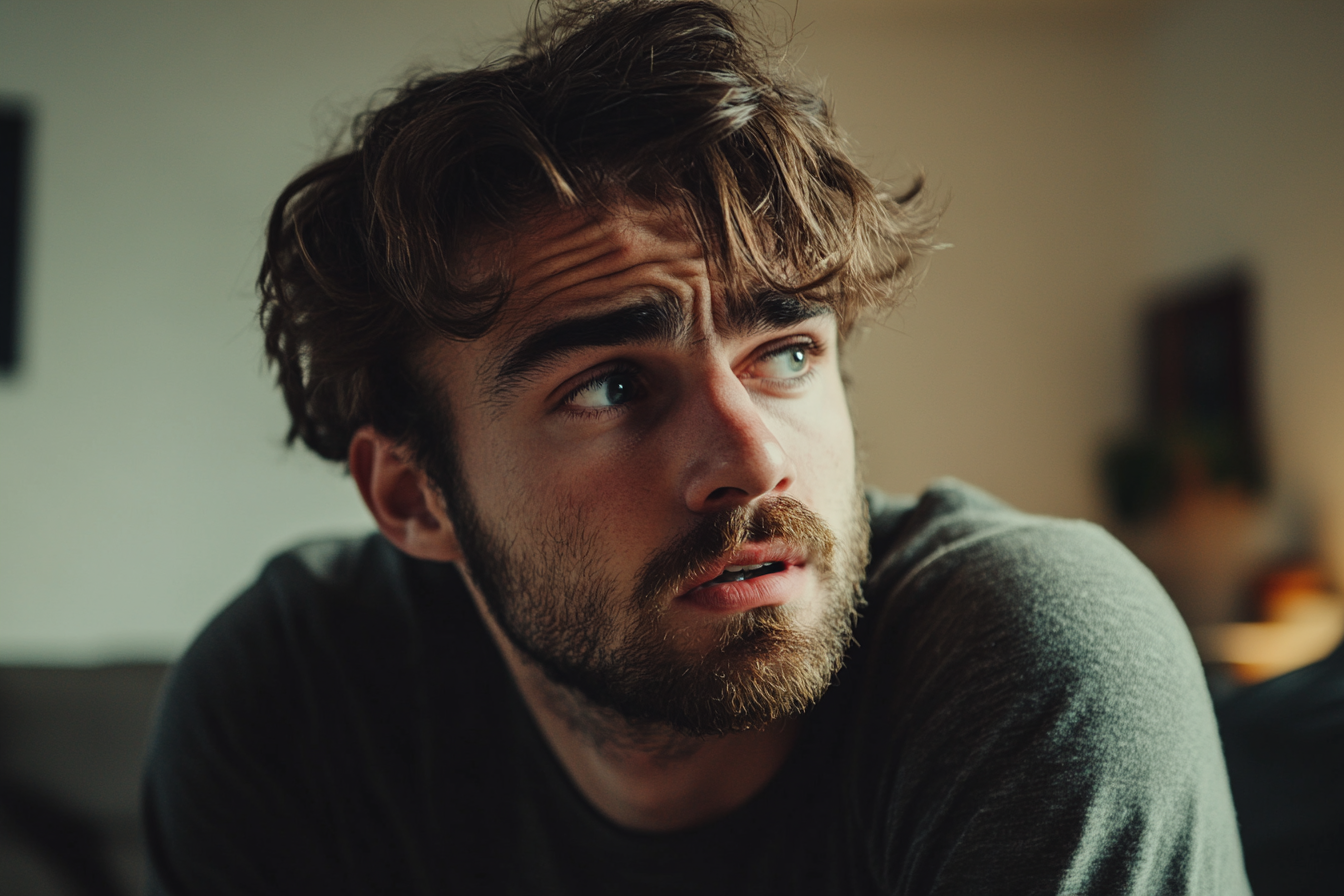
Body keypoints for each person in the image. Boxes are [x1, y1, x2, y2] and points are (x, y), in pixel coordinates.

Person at [142, 2, 1250, 893]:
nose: (750, 460)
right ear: (414, 496)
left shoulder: (1033, 655)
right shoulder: (290, 698)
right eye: (612, 386)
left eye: (786, 354)